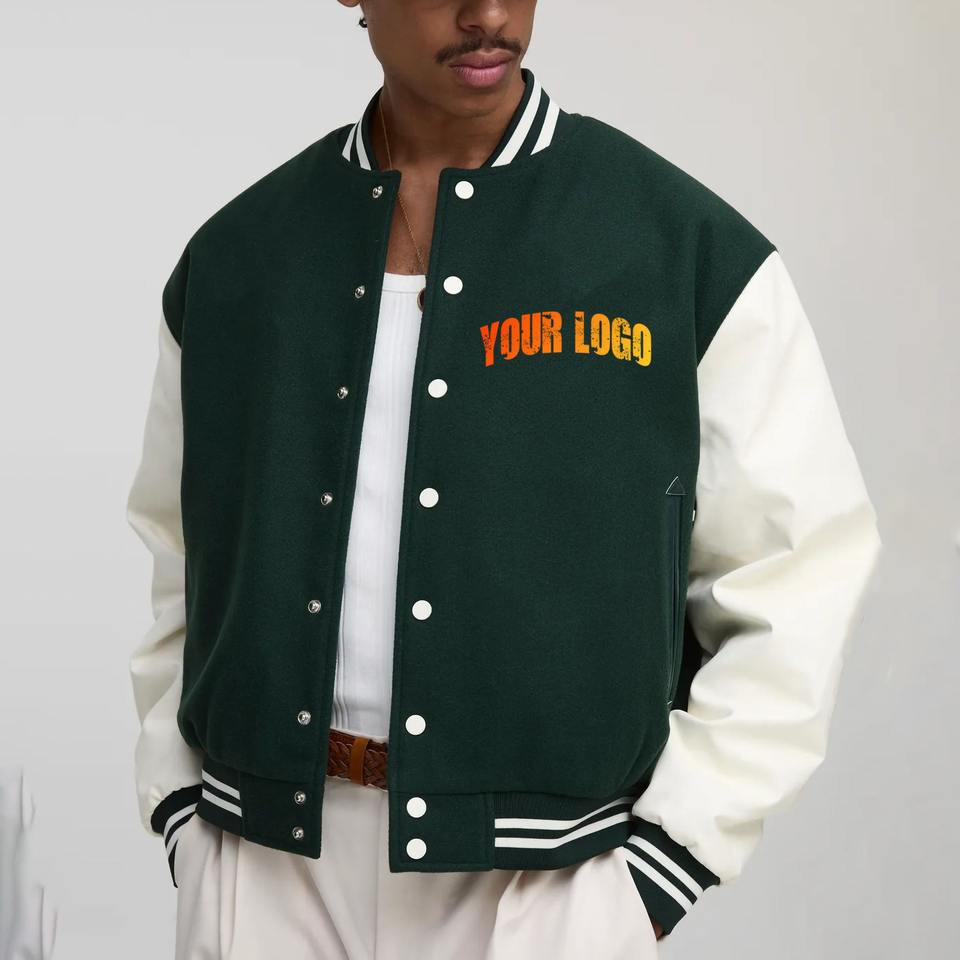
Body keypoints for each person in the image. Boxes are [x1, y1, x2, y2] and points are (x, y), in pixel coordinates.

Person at [125, 1, 883, 956]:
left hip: (547, 884)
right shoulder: (236, 259)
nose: (487, 14)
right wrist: (183, 811)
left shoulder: (681, 249)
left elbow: (797, 572)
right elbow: (180, 556)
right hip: (263, 864)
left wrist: (665, 861)